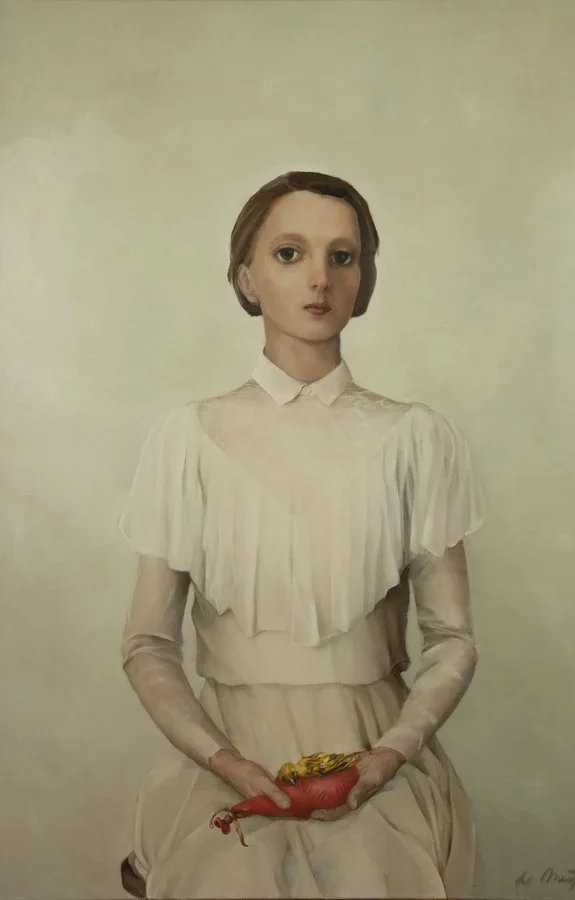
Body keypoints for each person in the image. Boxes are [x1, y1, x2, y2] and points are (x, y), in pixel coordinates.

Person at [117, 170, 486, 899]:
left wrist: (388, 756)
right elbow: (147, 644)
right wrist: (223, 761)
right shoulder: (188, 437)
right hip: (225, 755)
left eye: (342, 257)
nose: (319, 277)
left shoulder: (416, 437)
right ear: (246, 277)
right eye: (290, 254)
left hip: (377, 758)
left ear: (363, 279)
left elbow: (452, 640)